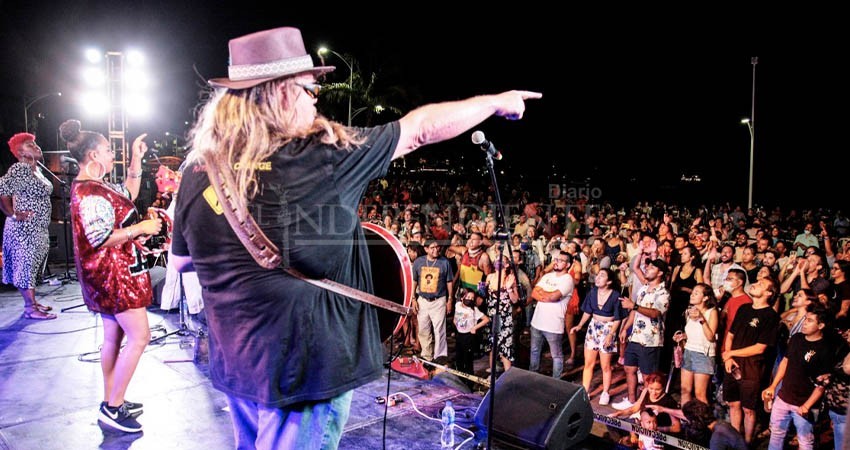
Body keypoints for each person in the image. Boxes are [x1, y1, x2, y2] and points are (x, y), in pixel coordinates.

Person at [168, 26, 540, 449]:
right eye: (309, 90)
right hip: (306, 372)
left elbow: (181, 262)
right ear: (282, 93)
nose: (316, 100)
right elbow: (418, 130)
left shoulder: (199, 169)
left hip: (237, 363)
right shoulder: (321, 156)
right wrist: (496, 102)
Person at [60, 119, 162, 433]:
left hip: (108, 275)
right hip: (113, 278)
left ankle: (112, 397)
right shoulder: (90, 191)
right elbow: (99, 238)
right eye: (107, 150)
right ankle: (113, 408)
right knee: (140, 337)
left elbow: (128, 192)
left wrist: (136, 159)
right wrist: (140, 228)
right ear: (93, 155)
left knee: (113, 339)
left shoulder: (98, 186)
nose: (111, 154)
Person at [0, 133, 55, 319]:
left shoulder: (36, 169)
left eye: (35, 143)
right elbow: (2, 190)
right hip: (24, 229)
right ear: (20, 152)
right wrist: (13, 214)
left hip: (38, 228)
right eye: (30, 145)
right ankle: (30, 308)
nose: (36, 146)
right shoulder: (20, 168)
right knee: (26, 267)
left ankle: (33, 302)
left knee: (33, 266)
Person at [570, 267, 626, 405]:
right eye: (598, 275)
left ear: (609, 281)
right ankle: (585, 391)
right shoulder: (592, 292)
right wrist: (580, 325)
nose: (598, 278)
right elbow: (587, 311)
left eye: (602, 275)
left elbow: (618, 319)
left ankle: (605, 392)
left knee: (605, 365)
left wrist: (611, 335)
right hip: (593, 327)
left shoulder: (615, 295)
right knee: (588, 363)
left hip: (608, 329)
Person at [411, 239, 454, 362]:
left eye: (437, 247)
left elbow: (449, 282)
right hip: (423, 300)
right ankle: (426, 356)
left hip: (439, 300)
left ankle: (439, 357)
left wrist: (450, 299)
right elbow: (414, 281)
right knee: (423, 330)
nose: (436, 250)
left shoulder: (444, 262)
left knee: (439, 330)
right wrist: (413, 298)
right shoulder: (419, 262)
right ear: (426, 249)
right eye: (432, 248)